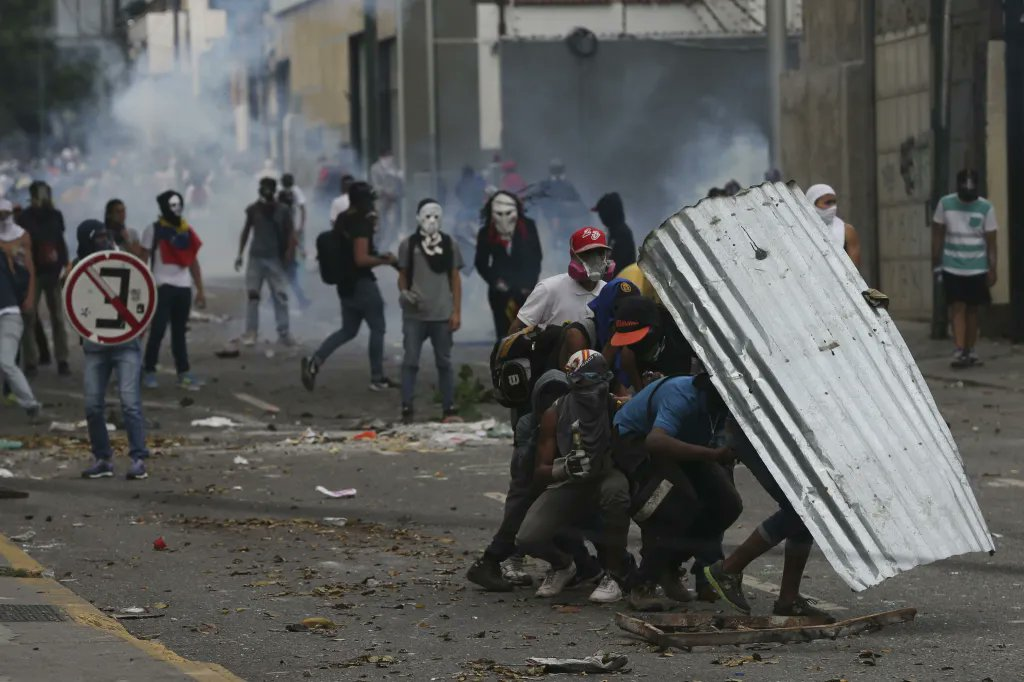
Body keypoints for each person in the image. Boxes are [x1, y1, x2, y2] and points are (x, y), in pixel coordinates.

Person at [612, 373, 743, 611]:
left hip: (684, 444)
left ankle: (669, 565)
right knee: (675, 505)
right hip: (637, 441)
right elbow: (656, 441)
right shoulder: (681, 396)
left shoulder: (725, 403)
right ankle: (642, 584)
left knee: (728, 504)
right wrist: (711, 455)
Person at [516, 350, 630, 603]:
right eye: (582, 385)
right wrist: (564, 468)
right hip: (571, 480)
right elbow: (540, 471)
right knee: (527, 538)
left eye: (594, 384)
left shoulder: (616, 407)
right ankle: (563, 565)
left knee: (617, 494)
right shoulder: (555, 413)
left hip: (605, 474)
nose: (589, 392)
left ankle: (614, 574)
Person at [703, 424, 836, 622]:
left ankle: (788, 599)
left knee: (806, 510)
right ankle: (728, 569)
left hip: (775, 433)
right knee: (799, 509)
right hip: (757, 433)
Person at [301, 182, 399, 392]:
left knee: (348, 330)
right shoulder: (361, 221)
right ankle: (377, 377)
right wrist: (385, 261)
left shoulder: (344, 218)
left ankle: (315, 361)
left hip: (345, 284)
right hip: (361, 283)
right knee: (378, 327)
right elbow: (361, 258)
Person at [74, 220, 150, 480]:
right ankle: (103, 458)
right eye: (98, 237)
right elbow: (75, 304)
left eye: (106, 236)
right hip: (95, 346)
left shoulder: (121, 259)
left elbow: (141, 287)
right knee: (93, 405)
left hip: (125, 344)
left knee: (130, 404)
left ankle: (138, 458)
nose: (103, 241)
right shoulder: (78, 269)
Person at [397, 199, 463, 423]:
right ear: (418, 218)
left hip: (442, 314)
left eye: (436, 216)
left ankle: (449, 407)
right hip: (415, 314)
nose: (432, 221)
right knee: (411, 361)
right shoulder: (409, 245)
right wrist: (404, 292)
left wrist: (456, 312)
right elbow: (403, 274)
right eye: (427, 216)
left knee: (444, 362)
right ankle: (407, 406)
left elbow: (455, 278)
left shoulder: (449, 244)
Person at [931, 169, 998, 368]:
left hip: (977, 267)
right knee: (957, 306)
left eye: (971, 187)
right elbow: (938, 233)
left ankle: (970, 349)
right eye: (964, 187)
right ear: (958, 186)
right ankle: (960, 349)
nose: (967, 191)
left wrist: (993, 268)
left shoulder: (986, 208)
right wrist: (935, 259)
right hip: (952, 264)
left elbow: (992, 241)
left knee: (973, 309)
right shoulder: (945, 204)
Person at [140, 190, 207, 389]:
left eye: (179, 204)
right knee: (158, 330)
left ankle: (183, 372)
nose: (177, 209)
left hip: (183, 287)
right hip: (161, 286)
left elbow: (193, 262)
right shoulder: (152, 230)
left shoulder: (186, 231)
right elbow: (143, 261)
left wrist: (200, 289)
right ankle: (149, 370)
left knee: (179, 333)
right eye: (172, 205)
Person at [510, 226, 614, 334]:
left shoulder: (610, 292)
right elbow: (514, 333)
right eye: (587, 254)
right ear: (573, 256)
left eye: (600, 253)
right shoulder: (549, 289)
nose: (595, 260)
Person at [236, 177, 296, 347]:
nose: (266, 190)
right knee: (253, 295)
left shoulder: (283, 210)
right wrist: (240, 254)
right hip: (255, 257)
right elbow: (246, 231)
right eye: (263, 187)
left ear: (274, 189)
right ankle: (251, 332)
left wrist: (289, 254)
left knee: (280, 295)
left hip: (274, 258)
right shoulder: (253, 210)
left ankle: (284, 333)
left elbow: (290, 233)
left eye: (269, 187)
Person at [18, 181, 70, 376]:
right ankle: (31, 361)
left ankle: (62, 359)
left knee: (57, 317)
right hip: (33, 273)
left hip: (52, 272)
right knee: (29, 317)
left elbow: (60, 240)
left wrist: (66, 264)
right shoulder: (25, 218)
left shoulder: (55, 215)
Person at [474, 191, 542, 339]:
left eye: (508, 213)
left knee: (528, 333)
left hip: (526, 289)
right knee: (504, 335)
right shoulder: (486, 232)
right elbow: (481, 263)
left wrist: (529, 285)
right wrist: (495, 281)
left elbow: (536, 257)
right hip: (500, 292)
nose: (504, 218)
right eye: (499, 213)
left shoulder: (528, 227)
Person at [0, 199, 40, 418]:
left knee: (7, 361)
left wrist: (30, 297)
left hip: (8, 311)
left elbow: (29, 270)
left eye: (5, 214)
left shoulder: (21, 238)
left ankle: (30, 404)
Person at [805, 183, 862, 267]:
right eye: (827, 202)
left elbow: (854, 269)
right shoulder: (800, 228)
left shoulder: (847, 231)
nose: (833, 207)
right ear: (812, 203)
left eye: (834, 202)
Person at [277, 184, 312, 310]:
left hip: (282, 251)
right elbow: (291, 235)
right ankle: (301, 300)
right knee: (289, 278)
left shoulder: (279, 212)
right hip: (285, 251)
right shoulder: (284, 214)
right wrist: (300, 249)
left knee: (287, 278)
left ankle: (301, 300)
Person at [593, 192, 636, 276]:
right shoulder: (613, 231)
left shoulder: (622, 234)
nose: (600, 217)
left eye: (601, 213)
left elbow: (618, 264)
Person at [370, 151, 403, 248]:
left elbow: (399, 183)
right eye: (387, 157)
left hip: (393, 201)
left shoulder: (394, 167)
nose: (389, 160)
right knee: (380, 224)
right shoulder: (375, 168)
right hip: (381, 201)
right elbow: (375, 185)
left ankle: (388, 244)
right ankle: (379, 244)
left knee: (393, 223)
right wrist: (386, 192)